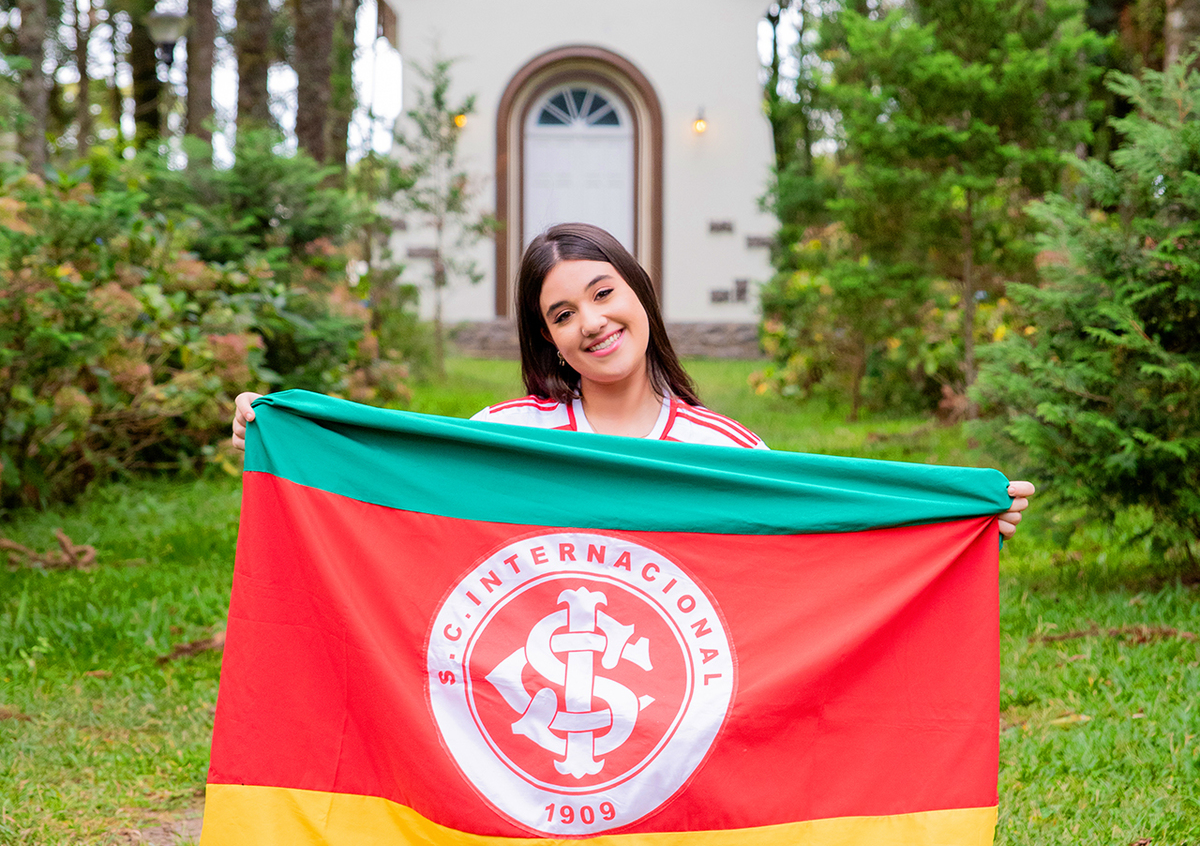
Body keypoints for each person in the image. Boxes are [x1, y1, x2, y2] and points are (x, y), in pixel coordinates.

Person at [231, 221, 1034, 535]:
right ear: (550, 342)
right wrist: (285, 441)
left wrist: (950, 525)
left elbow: (813, 550)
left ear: (640, 294)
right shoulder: (507, 435)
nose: (591, 322)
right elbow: (399, 502)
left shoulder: (727, 450)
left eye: (603, 293)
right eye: (562, 314)